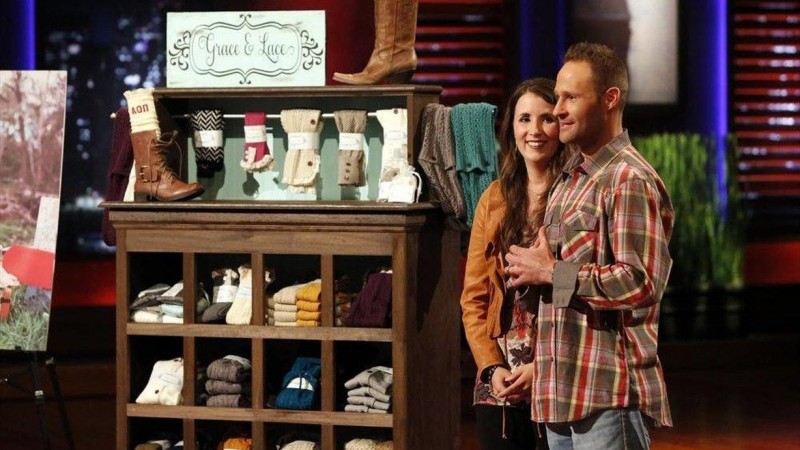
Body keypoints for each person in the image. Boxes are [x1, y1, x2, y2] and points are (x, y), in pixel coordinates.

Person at [504, 42, 674, 449]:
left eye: (571, 98)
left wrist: (551, 271)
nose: (558, 109)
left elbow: (641, 282)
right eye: (557, 96)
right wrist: (532, 276)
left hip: (607, 393)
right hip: (560, 393)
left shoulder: (627, 179)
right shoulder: (571, 180)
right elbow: (561, 288)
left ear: (609, 99)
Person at [461, 78, 571, 449]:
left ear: (561, 125)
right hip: (502, 373)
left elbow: (578, 287)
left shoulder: (576, 195)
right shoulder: (493, 198)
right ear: (512, 128)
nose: (534, 130)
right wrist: (490, 366)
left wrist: (544, 365)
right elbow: (474, 298)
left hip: (559, 364)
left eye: (546, 118)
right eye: (524, 119)